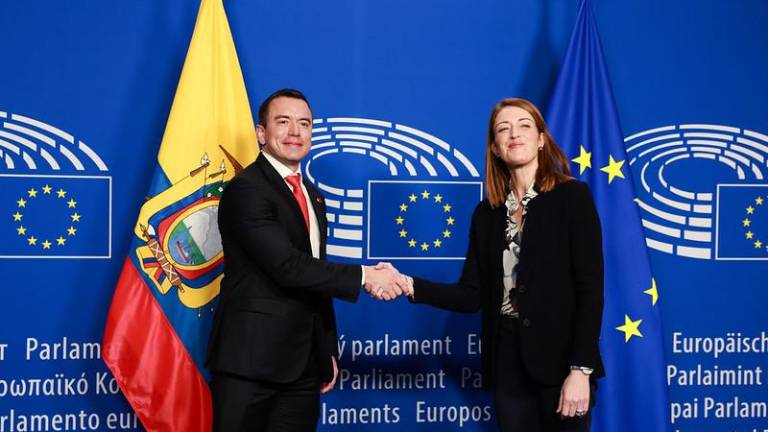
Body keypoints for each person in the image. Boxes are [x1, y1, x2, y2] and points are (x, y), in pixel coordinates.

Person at [206, 88, 405, 432]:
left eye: (304, 124)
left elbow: (315, 275)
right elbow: (288, 267)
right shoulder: (247, 189)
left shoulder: (312, 194)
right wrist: (365, 277)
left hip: (300, 366)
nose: (295, 132)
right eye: (283, 122)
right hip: (249, 364)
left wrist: (325, 345)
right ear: (261, 134)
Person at [400, 98, 604, 432]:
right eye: (503, 129)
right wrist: (409, 285)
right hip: (507, 362)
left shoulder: (572, 197)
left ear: (541, 139)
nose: (515, 134)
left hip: (562, 363)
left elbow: (590, 290)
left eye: (525, 125)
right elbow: (471, 295)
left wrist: (580, 371)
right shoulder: (487, 214)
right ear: (495, 147)